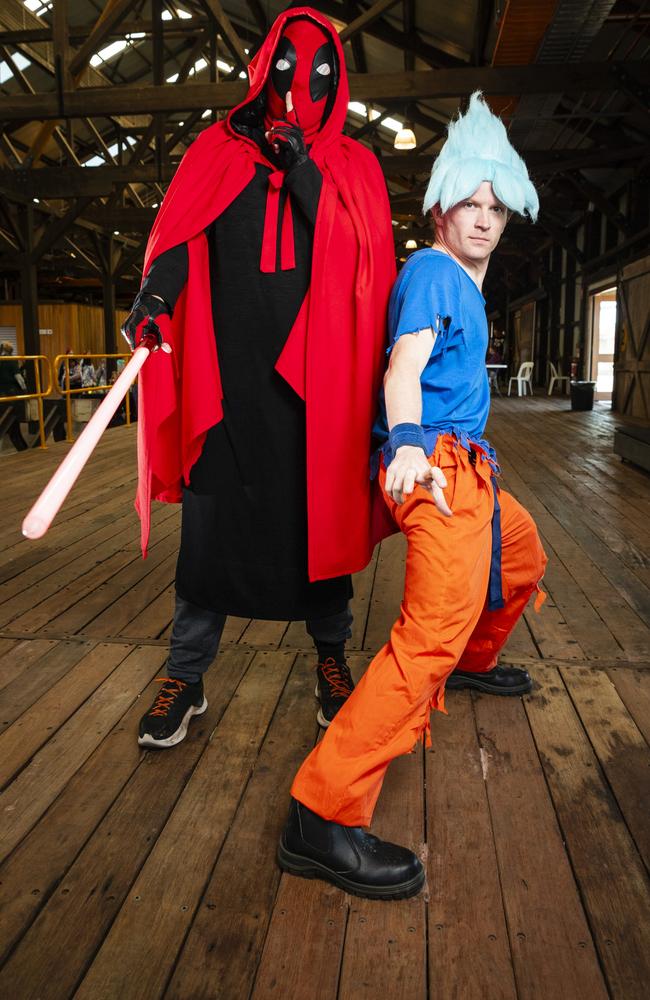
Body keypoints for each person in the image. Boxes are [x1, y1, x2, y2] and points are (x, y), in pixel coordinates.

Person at [278, 93, 548, 900]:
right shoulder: (433, 273)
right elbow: (405, 364)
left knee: (522, 553)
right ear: (440, 207)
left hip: (474, 469)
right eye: (470, 202)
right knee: (425, 635)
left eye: (496, 206)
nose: (484, 218)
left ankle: (471, 659)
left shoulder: (464, 282)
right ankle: (319, 816)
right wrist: (402, 445)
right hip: (435, 465)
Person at [122, 5, 395, 749]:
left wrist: (303, 169)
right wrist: (152, 300)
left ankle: (331, 662)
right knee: (210, 534)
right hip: (227, 381)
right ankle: (186, 672)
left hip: (317, 391)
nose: (298, 83)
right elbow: (179, 236)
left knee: (318, 527)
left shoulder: (354, 164)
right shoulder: (217, 150)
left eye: (317, 71)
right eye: (286, 66)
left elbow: (366, 263)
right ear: (263, 66)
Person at [0, 342, 28, 451]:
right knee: (13, 422)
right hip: (11, 393)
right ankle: (22, 448)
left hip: (1, 394)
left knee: (9, 423)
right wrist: (25, 390)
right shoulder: (11, 360)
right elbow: (18, 378)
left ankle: (22, 448)